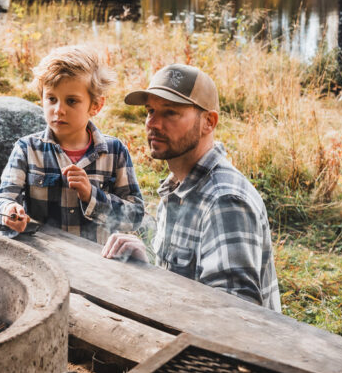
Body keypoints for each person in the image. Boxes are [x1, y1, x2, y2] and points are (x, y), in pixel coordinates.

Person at [101, 64, 281, 311]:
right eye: (150, 111)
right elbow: (183, 283)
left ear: (209, 122)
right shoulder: (177, 185)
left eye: (170, 113)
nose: (152, 123)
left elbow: (235, 315)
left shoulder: (225, 202)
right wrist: (147, 267)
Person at [0, 45, 144, 243]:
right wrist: (8, 212)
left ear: (95, 105)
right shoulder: (27, 149)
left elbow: (135, 216)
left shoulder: (114, 152)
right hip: (44, 260)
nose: (58, 110)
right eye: (51, 99)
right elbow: (0, 200)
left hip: (98, 266)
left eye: (71, 101)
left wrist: (91, 196)